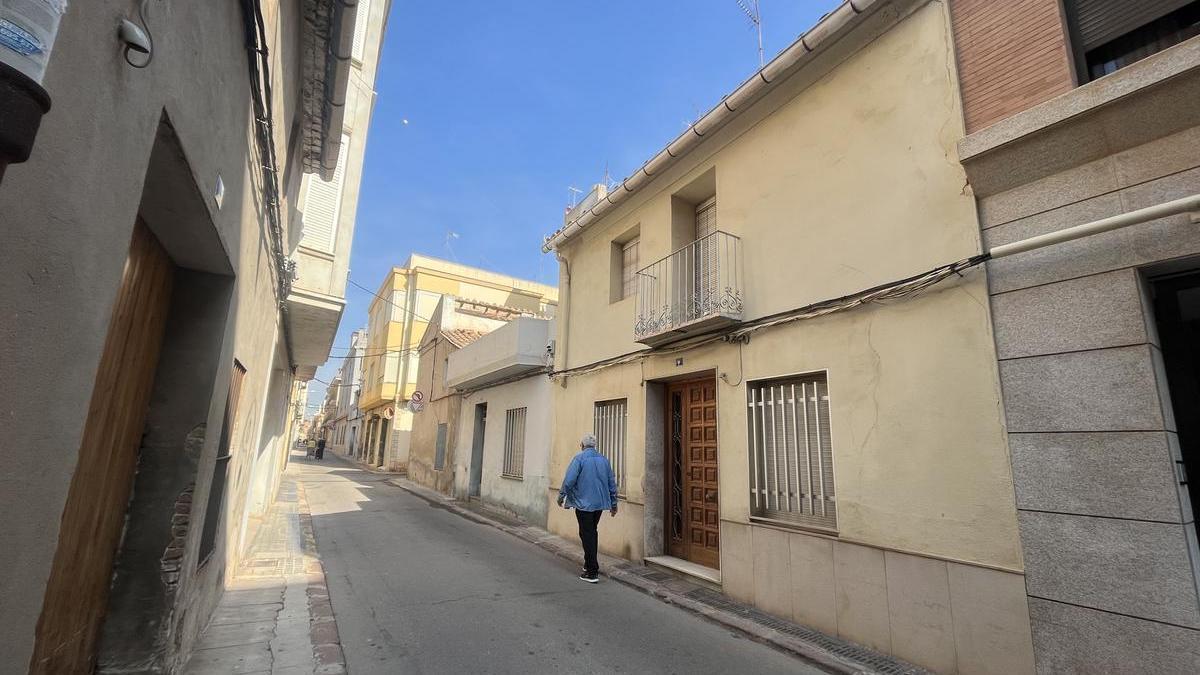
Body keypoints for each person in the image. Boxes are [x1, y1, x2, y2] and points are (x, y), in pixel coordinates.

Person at [557, 433, 618, 583]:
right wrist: (614, 503)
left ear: (582, 445)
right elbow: (611, 482)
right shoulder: (604, 460)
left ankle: (592, 571)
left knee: (587, 534)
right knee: (591, 533)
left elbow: (569, 480)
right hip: (599, 504)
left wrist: (561, 495)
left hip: (584, 504)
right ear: (594, 445)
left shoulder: (579, 458)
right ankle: (588, 563)